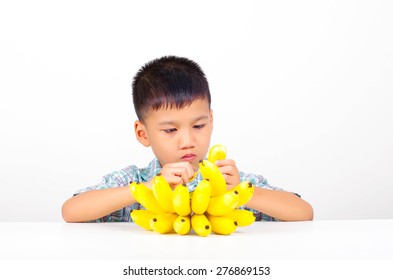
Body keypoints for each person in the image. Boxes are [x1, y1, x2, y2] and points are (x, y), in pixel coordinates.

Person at [62, 56, 313, 223]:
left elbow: (304, 213)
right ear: (143, 133)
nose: (187, 141)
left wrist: (242, 192)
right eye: (170, 130)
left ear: (211, 121)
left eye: (199, 125)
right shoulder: (135, 181)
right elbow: (71, 211)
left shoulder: (233, 182)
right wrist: (145, 189)